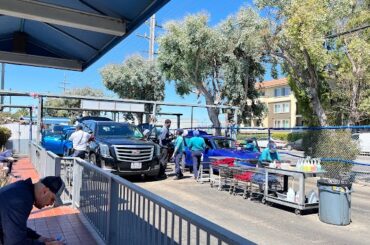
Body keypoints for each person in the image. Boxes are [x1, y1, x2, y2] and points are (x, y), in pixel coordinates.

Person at [0, 176, 65, 245]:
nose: (51, 204)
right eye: (52, 199)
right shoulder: (20, 200)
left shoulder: (22, 189)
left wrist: (40, 238)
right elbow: (15, 243)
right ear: (44, 191)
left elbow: (16, 227)